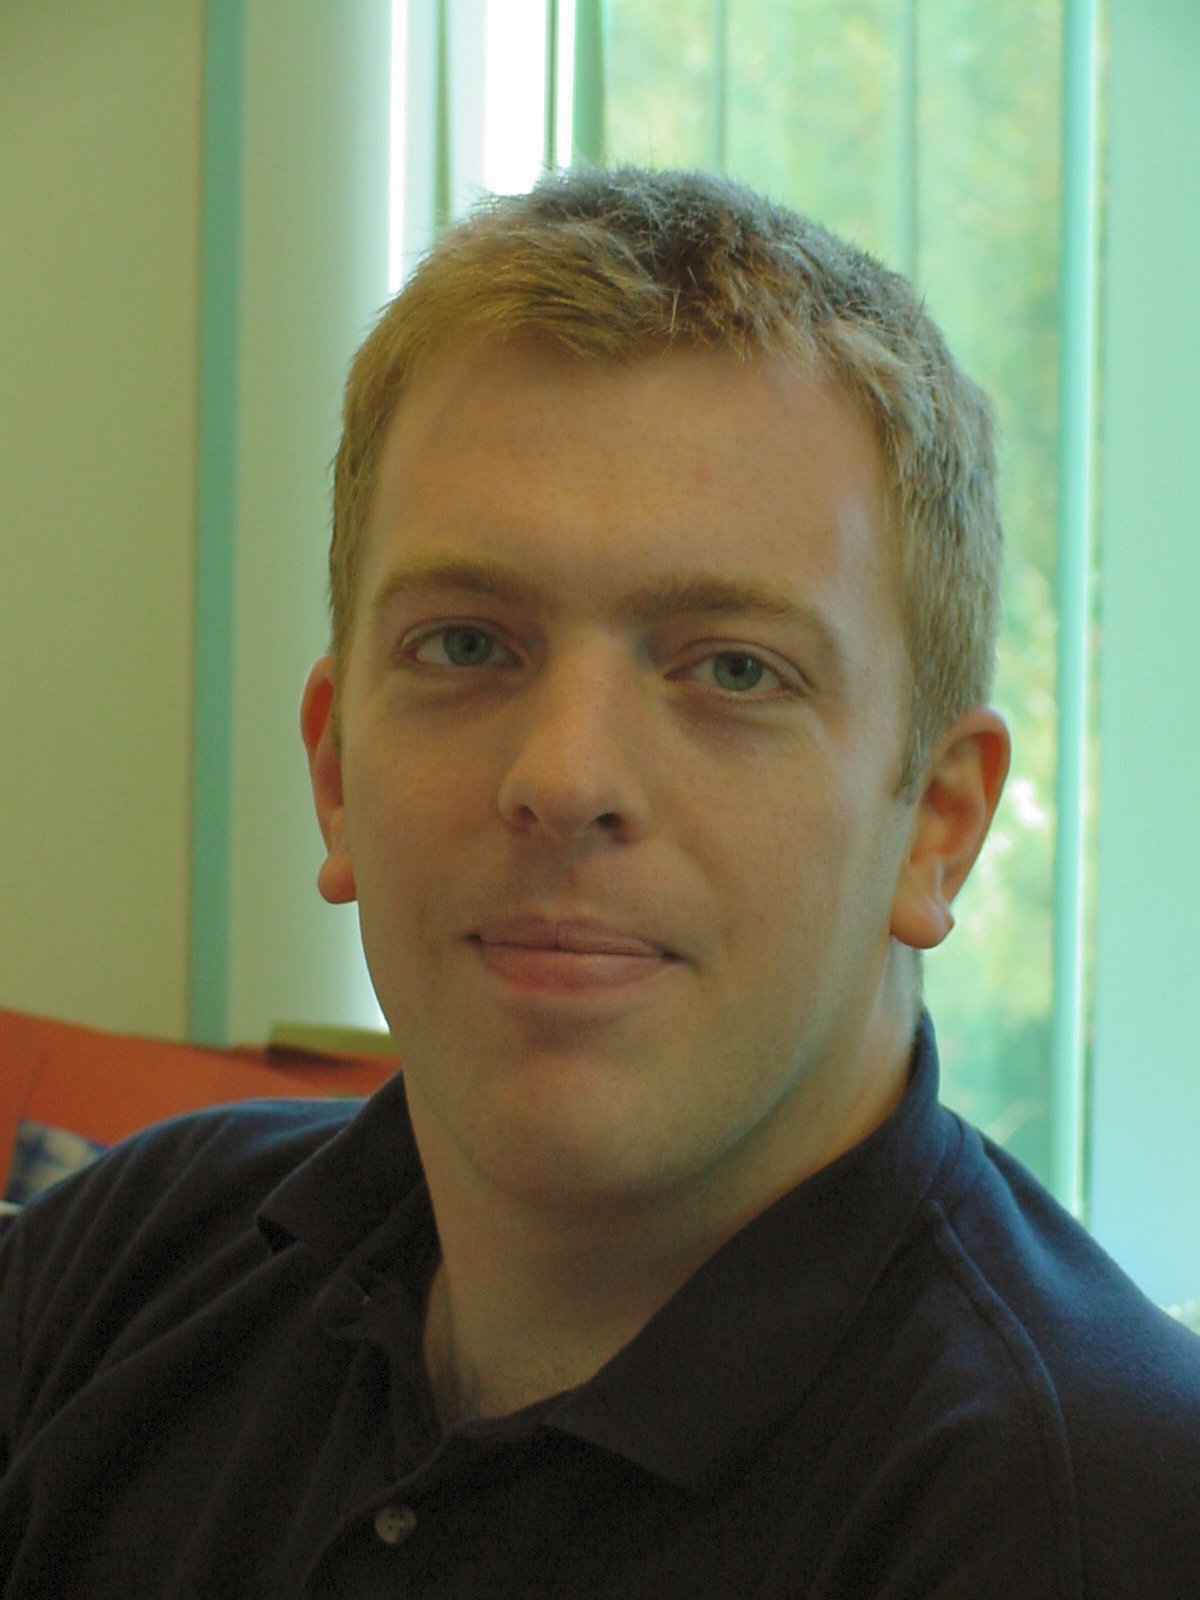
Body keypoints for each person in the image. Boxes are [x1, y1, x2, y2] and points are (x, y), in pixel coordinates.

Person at [1, 166, 1197, 1598]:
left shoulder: (1096, 1518)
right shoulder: (118, 1266)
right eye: (465, 645)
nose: (563, 777)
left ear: (937, 823)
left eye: (733, 670)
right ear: (335, 773)